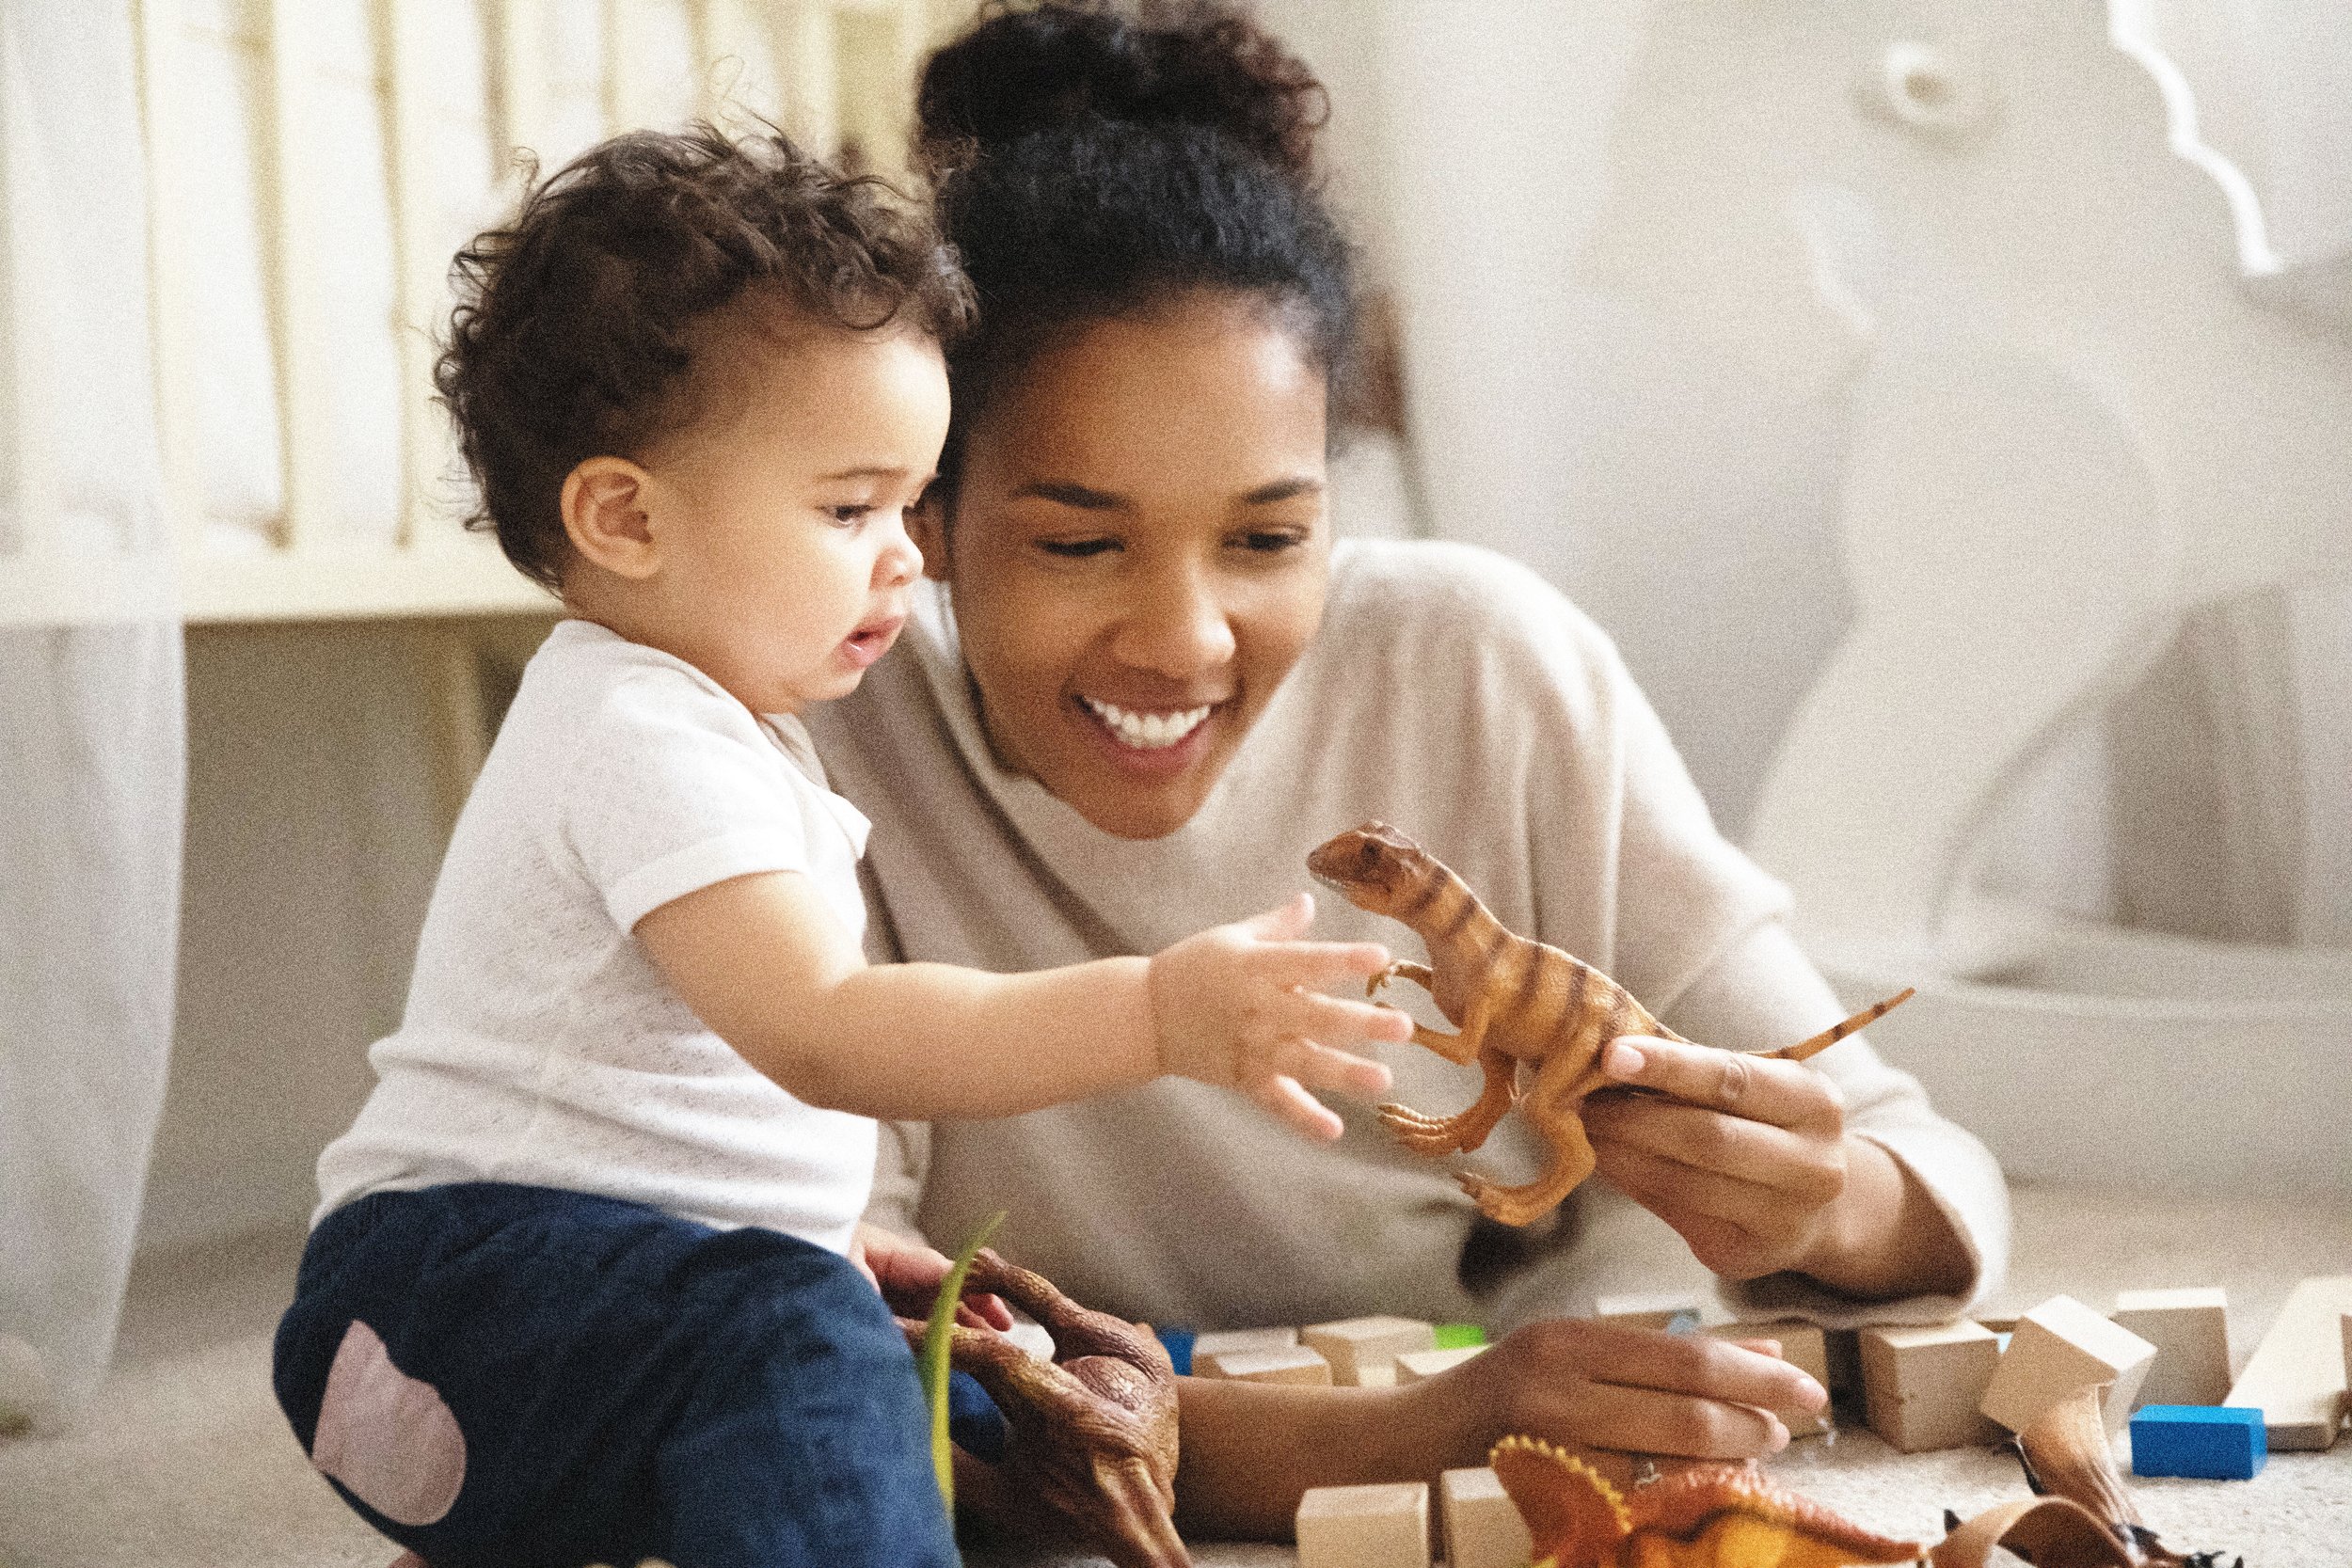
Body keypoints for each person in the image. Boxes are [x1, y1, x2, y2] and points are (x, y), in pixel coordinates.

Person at [807, 0, 2012, 1534]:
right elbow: (851, 1382)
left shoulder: (1484, 665)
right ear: (927, 515)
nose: (1183, 641)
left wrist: (1827, 1198)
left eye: (1268, 537)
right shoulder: (816, 746)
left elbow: (1918, 1163)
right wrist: (1430, 1432)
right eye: (1078, 542)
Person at [273, 124, 1418, 1568]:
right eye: (849, 506)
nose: (909, 555)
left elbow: (706, 1142)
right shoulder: (637, 733)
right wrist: (1157, 1008)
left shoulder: (727, 736)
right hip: (448, 1298)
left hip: (546, 1319)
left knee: (950, 1359)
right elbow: (824, 1034)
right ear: (624, 516)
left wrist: (831, 1255)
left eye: (912, 505)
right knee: (796, 1343)